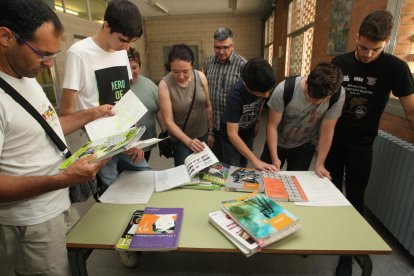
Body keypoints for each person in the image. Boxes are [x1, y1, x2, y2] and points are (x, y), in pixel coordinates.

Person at [0, 0, 111, 274]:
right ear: (5, 37)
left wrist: (92, 113)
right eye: (42, 53)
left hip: (58, 203)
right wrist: (62, 179)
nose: (49, 64)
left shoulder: (25, 77)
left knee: (73, 265)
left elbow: (45, 127)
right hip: (30, 223)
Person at [325, 10, 414, 276]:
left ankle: (348, 253)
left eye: (374, 50)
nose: (366, 54)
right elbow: (325, 106)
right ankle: (329, 237)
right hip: (334, 140)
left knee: (355, 197)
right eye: (363, 47)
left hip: (362, 144)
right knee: (329, 192)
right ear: (356, 37)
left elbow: (410, 110)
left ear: (385, 42)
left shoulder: (395, 68)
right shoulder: (340, 62)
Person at [60, 0, 150, 196]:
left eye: (130, 42)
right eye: (122, 40)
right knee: (112, 195)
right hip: (101, 146)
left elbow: (124, 98)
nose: (126, 48)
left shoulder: (120, 53)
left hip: (126, 141)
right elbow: (67, 112)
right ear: (105, 25)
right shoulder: (79, 54)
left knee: (146, 184)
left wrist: (134, 139)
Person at [261, 63, 345, 178]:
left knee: (297, 181)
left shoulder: (338, 96)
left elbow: (327, 131)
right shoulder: (284, 90)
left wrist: (320, 163)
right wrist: (275, 158)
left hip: (305, 145)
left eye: (321, 99)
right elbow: (272, 126)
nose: (316, 102)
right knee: (266, 179)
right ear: (307, 82)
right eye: (311, 96)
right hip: (277, 142)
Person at [159, 44, 214, 166]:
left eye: (185, 71)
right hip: (181, 140)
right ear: (170, 68)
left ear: (192, 66)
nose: (181, 76)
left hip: (203, 135)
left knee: (204, 171)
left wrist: (211, 132)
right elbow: (169, 122)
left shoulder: (200, 77)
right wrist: (188, 142)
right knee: (185, 174)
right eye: (175, 72)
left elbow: (208, 106)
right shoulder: (164, 85)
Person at [220, 58, 277, 171]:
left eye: (268, 91)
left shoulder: (262, 84)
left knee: (244, 163)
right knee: (234, 169)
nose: (266, 95)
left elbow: (260, 103)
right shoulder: (235, 96)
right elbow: (232, 135)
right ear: (249, 88)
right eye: (262, 92)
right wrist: (256, 161)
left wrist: (257, 121)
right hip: (232, 137)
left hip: (248, 132)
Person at [203, 27, 246, 161]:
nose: (221, 51)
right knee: (215, 164)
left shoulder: (243, 64)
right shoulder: (208, 63)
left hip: (234, 126)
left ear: (232, 45)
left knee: (234, 165)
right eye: (217, 47)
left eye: (225, 47)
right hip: (214, 124)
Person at [127, 47, 165, 162]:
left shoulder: (149, 85)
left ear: (139, 66)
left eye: (134, 67)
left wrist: (165, 133)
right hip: (125, 148)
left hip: (146, 145)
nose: (131, 72)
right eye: (127, 68)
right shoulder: (116, 88)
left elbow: (159, 110)